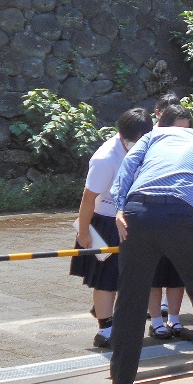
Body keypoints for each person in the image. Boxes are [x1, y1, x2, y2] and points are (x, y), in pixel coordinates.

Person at [110, 105, 193, 384]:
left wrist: (119, 207)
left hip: (136, 212)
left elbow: (127, 167)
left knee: (130, 299)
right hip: (179, 215)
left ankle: (121, 382)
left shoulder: (158, 134)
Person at [71, 109, 153, 348]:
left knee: (126, 275)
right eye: (132, 141)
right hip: (106, 219)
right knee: (105, 278)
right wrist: (83, 232)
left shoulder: (151, 148)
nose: (137, 146)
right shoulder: (106, 157)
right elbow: (88, 198)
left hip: (133, 218)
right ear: (121, 135)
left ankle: (106, 311)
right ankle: (105, 329)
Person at [148, 104, 193, 341]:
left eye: (186, 131)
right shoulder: (148, 145)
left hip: (180, 215)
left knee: (177, 271)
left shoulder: (192, 150)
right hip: (151, 213)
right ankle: (155, 321)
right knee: (154, 273)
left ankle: (174, 319)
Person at [151, 92, 183, 319]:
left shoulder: (187, 138)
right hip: (153, 205)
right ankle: (155, 315)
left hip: (178, 207)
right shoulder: (147, 135)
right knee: (154, 263)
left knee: (174, 265)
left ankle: (171, 312)